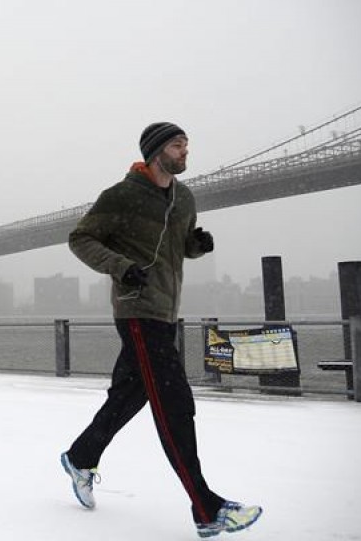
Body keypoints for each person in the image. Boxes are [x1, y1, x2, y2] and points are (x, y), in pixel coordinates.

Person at [59, 122, 262, 538]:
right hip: (136, 309)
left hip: (167, 310)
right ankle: (206, 507)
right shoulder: (121, 196)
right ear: (155, 153)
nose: (186, 151)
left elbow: (180, 244)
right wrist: (120, 267)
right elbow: (80, 238)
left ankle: (81, 456)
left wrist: (196, 245)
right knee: (173, 400)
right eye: (177, 145)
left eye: (187, 144)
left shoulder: (185, 197)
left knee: (131, 392)